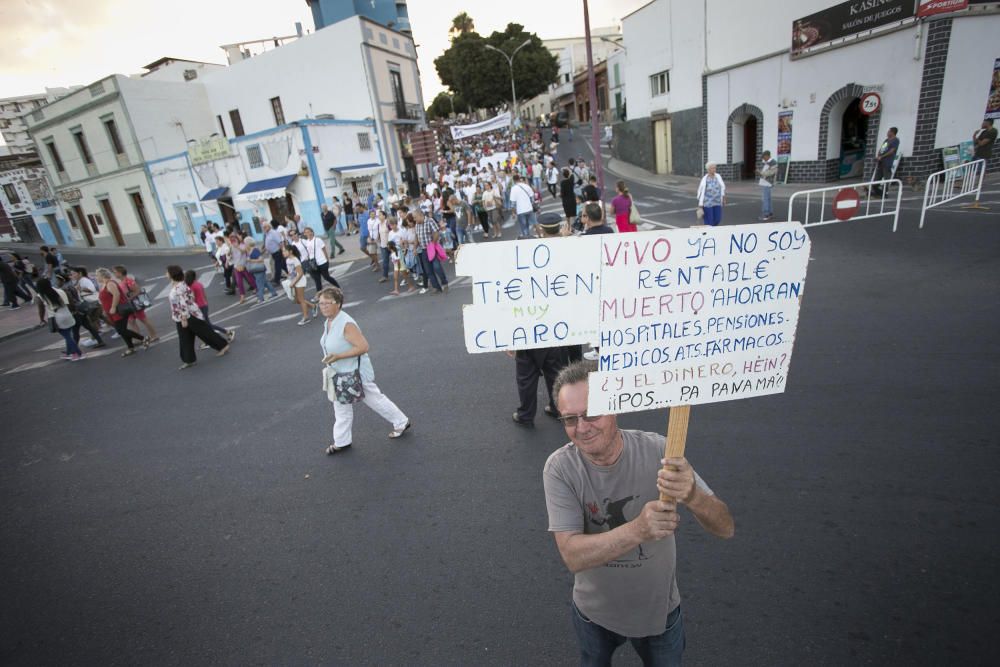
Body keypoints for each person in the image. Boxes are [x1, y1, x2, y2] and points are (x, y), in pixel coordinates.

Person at [543, 360, 735, 666]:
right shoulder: (560, 468)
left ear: (614, 407)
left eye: (592, 413)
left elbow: (725, 528)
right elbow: (572, 556)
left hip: (659, 614)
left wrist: (692, 495)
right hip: (593, 614)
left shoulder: (661, 451)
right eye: (569, 419)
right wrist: (639, 529)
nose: (582, 428)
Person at [318, 287, 410, 454]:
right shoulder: (329, 321)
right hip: (339, 374)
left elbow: (363, 347)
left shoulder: (346, 323)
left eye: (327, 303)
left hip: (355, 373)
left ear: (338, 304)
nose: (323, 306)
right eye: (321, 303)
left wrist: (339, 356)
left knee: (375, 399)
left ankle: (401, 422)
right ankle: (341, 441)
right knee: (341, 407)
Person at [165, 265, 230, 370]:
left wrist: (184, 318)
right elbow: (191, 297)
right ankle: (189, 359)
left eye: (167, 272)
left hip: (186, 316)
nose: (166, 274)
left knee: (202, 332)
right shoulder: (182, 284)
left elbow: (182, 304)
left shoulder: (176, 289)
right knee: (187, 337)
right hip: (191, 313)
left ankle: (222, 346)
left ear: (171, 274)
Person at [95, 267, 146, 357]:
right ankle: (131, 348)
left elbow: (116, 294)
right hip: (111, 312)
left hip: (118, 311)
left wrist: (113, 307)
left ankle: (143, 338)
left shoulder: (110, 283)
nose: (96, 277)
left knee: (121, 330)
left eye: (97, 275)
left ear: (102, 275)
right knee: (122, 330)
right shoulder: (104, 284)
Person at [34, 278, 84, 361]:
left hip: (56, 318)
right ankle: (69, 353)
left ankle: (78, 353)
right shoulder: (60, 291)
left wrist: (42, 319)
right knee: (68, 334)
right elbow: (70, 303)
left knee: (67, 336)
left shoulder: (40, 296)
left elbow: (41, 309)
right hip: (67, 314)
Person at [113, 265, 159, 342]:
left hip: (135, 305)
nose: (114, 274)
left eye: (115, 272)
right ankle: (138, 339)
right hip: (129, 306)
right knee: (131, 321)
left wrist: (129, 298)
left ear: (120, 273)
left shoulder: (129, 281)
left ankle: (154, 335)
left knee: (144, 320)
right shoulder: (122, 282)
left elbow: (138, 290)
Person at [184, 269, 233, 341]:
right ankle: (211, 340)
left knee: (207, 325)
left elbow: (192, 299)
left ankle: (227, 332)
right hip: (204, 305)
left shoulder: (192, 286)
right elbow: (204, 295)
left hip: (199, 308)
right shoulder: (198, 284)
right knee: (205, 325)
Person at [413, 211, 449, 294]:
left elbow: (436, 232)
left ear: (420, 215)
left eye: (415, 217)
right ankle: (436, 287)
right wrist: (415, 248)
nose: (414, 219)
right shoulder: (417, 225)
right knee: (428, 270)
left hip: (431, 248)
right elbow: (417, 236)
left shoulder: (430, 221)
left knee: (437, 267)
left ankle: (444, 282)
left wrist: (433, 243)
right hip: (423, 249)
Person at [298, 227, 341, 294]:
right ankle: (319, 295)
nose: (307, 233)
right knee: (317, 280)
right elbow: (309, 252)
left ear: (312, 232)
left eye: (308, 231)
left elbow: (324, 250)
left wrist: (327, 260)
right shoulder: (307, 242)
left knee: (326, 277)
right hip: (314, 263)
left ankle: (338, 287)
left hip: (322, 262)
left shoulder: (317, 240)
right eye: (306, 232)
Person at [282, 244, 312, 325]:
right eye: (282, 251)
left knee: (301, 300)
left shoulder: (295, 260)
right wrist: (288, 277)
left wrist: (293, 283)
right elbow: (291, 272)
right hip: (293, 281)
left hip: (300, 281)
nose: (283, 253)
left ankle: (306, 317)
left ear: (290, 251)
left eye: (284, 251)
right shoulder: (287, 260)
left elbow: (301, 273)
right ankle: (313, 306)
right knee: (297, 300)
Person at [245, 237, 278, 302]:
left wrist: (250, 260)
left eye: (245, 243)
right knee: (265, 282)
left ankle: (260, 297)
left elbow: (261, 259)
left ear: (248, 243)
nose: (245, 245)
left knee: (259, 283)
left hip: (258, 269)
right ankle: (273, 292)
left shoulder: (254, 250)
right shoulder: (252, 250)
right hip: (257, 270)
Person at [872, 127, 900, 194]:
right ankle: (876, 190)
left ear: (892, 132)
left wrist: (882, 156)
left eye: (889, 131)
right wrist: (878, 155)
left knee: (886, 177)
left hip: (887, 161)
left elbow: (891, 151)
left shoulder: (895, 140)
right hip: (881, 162)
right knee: (877, 177)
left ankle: (885, 192)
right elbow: (882, 148)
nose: (887, 133)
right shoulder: (886, 140)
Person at [509, 173, 538, 239]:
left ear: (514, 180)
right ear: (519, 179)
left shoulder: (513, 189)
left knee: (524, 227)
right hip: (529, 209)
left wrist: (513, 213)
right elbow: (532, 197)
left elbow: (513, 203)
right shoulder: (526, 186)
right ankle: (541, 237)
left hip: (520, 211)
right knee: (535, 223)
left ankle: (527, 240)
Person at [756, 150, 778, 221]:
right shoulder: (767, 162)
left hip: (768, 183)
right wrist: (761, 172)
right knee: (768, 199)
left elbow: (770, 173)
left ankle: (766, 214)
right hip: (766, 182)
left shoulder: (773, 163)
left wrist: (760, 172)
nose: (763, 158)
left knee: (765, 199)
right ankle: (770, 213)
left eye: (764, 157)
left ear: (767, 156)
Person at [560, 168, 578, 233]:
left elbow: (562, 193)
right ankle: (574, 227)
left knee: (567, 215)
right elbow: (572, 174)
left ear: (563, 175)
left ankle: (569, 226)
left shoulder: (562, 183)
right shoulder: (571, 180)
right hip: (572, 199)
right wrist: (568, 169)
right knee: (573, 214)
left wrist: (561, 195)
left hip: (565, 200)